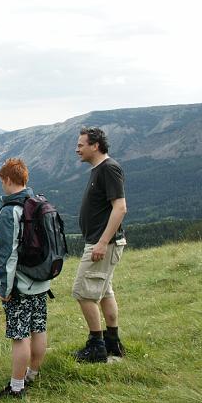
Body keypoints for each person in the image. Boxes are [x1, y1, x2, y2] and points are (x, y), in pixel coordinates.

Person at [72, 127, 128, 363]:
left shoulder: (109, 168)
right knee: (105, 291)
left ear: (95, 145)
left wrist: (103, 242)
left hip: (101, 244)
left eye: (81, 145)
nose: (77, 149)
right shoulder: (99, 169)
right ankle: (112, 342)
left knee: (82, 292)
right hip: (100, 242)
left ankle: (96, 346)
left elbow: (120, 207)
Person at [0, 158, 49, 398]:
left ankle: (17, 387)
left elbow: (8, 255)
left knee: (20, 336)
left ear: (7, 179)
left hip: (20, 284)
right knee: (38, 328)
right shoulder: (37, 202)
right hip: (41, 280)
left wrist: (5, 289)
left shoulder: (11, 211)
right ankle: (33, 374)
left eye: (2, 182)